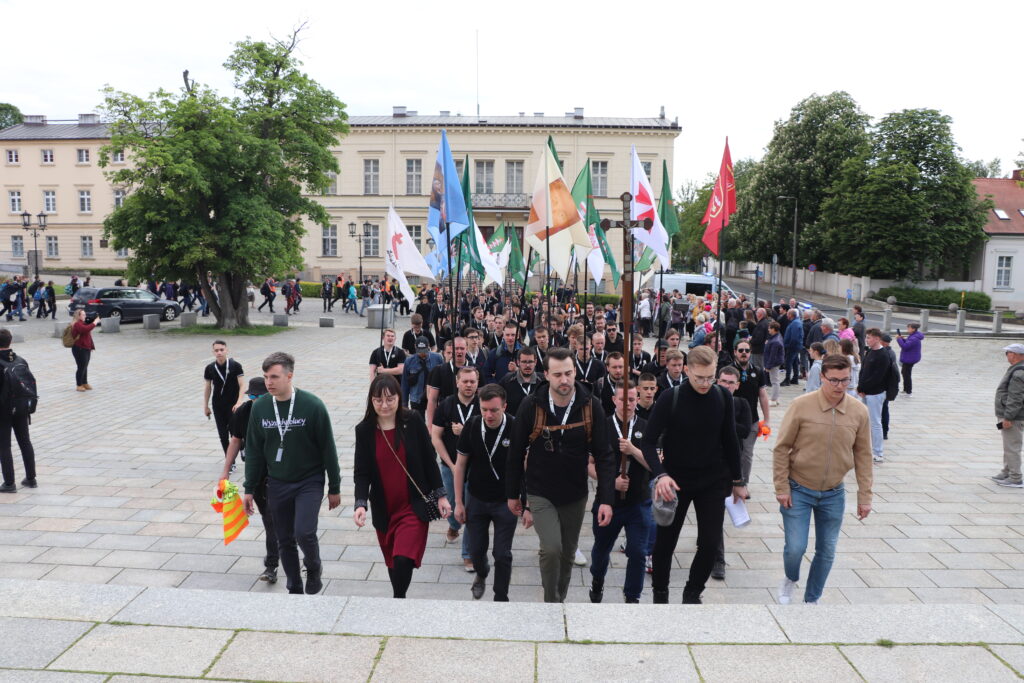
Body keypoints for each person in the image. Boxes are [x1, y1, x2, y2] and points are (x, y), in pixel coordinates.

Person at [506, 347, 615, 603]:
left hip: (575, 493)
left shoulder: (591, 405)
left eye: (568, 373)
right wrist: (513, 494)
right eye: (558, 375)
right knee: (552, 549)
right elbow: (515, 453)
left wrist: (607, 498)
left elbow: (605, 455)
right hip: (540, 491)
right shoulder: (531, 404)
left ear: (575, 371)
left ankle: (559, 599)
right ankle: (550, 603)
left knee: (567, 554)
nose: (564, 380)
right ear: (547, 375)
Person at [641, 346, 745, 604]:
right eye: (699, 377)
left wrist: (738, 480)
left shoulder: (722, 396)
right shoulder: (670, 397)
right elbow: (648, 442)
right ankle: (660, 594)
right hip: (675, 482)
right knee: (665, 544)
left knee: (710, 544)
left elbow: (731, 441)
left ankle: (692, 592)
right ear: (687, 370)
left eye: (710, 377)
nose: (705, 383)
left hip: (711, 480)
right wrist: (661, 474)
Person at [774, 354, 872, 604]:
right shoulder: (801, 405)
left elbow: (863, 455)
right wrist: (782, 487)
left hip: (833, 492)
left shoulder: (858, 410)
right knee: (795, 548)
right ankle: (790, 578)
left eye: (845, 381)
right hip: (799, 488)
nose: (840, 386)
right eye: (834, 380)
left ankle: (812, 598)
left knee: (827, 551)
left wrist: (865, 496)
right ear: (822, 377)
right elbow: (781, 447)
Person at [243, 352, 340, 595]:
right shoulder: (261, 408)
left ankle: (314, 566)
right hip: (277, 482)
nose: (269, 383)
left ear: (289, 376)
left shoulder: (312, 405)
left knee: (304, 532)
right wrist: (249, 488)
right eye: (266, 377)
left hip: (309, 480)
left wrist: (334, 487)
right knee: (284, 539)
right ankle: (294, 586)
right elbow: (254, 451)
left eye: (274, 376)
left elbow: (328, 448)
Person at [354, 374, 451, 598]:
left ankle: (397, 600)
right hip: (384, 509)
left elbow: (429, 458)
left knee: (403, 558)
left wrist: (441, 495)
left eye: (390, 399)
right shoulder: (365, 430)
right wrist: (360, 504)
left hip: (412, 506)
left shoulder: (412, 420)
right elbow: (362, 472)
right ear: (371, 401)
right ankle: (400, 599)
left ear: (399, 397)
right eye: (378, 400)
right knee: (392, 560)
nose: (384, 405)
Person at [588, 380, 652, 604]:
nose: (628, 404)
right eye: (623, 399)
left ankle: (632, 596)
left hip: (638, 502)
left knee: (637, 551)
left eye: (632, 399)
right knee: (601, 549)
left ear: (638, 400)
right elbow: (589, 464)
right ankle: (597, 580)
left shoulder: (646, 427)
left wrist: (633, 450)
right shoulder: (602, 427)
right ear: (614, 399)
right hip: (608, 502)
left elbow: (655, 465)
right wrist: (609, 482)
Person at [454, 383, 519, 601]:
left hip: (506, 501)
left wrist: (525, 503)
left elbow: (525, 467)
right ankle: (482, 573)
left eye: (494, 410)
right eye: (484, 410)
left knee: (502, 554)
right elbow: (460, 465)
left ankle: (501, 596)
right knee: (476, 551)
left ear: (505, 407)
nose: (488, 415)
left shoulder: (515, 427)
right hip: (477, 498)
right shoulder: (472, 426)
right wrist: (459, 503)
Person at [217, 377, 278, 583]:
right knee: (269, 520)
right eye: (251, 396)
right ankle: (272, 566)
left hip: (283, 473)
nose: (254, 399)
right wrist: (225, 471)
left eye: (258, 396)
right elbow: (235, 440)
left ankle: (286, 554)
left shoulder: (280, 410)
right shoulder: (243, 412)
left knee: (283, 522)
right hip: (258, 475)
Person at [431, 365, 480, 570]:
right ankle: (453, 525)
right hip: (449, 466)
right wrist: (450, 465)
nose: (469, 385)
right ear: (457, 382)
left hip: (476, 469)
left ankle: (468, 554)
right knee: (452, 505)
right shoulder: (447, 405)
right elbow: (436, 437)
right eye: (465, 381)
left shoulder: (482, 405)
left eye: (473, 381)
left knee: (470, 510)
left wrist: (467, 431)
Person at [711, 365, 753, 580]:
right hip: (707, 464)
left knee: (717, 514)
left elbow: (745, 430)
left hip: (729, 465)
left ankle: (718, 559)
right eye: (723, 381)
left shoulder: (742, 404)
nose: (727, 386)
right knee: (710, 515)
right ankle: (712, 551)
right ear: (717, 381)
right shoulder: (708, 401)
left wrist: (723, 420)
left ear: (737, 385)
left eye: (731, 382)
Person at [0, 328, 36, 493]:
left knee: (4, 446)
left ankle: (9, 483)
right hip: (22, 407)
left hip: (3, 409)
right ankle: (31, 478)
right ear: (11, 341)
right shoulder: (21, 360)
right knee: (25, 441)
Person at [732, 340, 770, 486]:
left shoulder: (758, 371)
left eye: (747, 351)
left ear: (750, 353)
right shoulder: (728, 371)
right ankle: (729, 480)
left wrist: (766, 420)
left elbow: (763, 395)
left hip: (751, 420)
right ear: (735, 352)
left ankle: (743, 483)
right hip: (731, 419)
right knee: (732, 452)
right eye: (741, 350)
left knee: (746, 454)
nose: (744, 353)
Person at [203, 341, 245, 455]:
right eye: (216, 350)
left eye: (221, 350)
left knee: (235, 433)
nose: (219, 352)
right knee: (222, 435)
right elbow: (208, 387)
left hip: (233, 405)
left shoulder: (235, 366)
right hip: (218, 405)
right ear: (213, 352)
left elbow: (242, 385)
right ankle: (230, 461)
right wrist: (206, 406)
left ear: (226, 350)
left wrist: (239, 401)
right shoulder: (210, 368)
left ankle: (242, 447)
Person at [857, 329, 891, 464]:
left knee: (875, 422)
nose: (867, 340)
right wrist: (860, 387)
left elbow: (877, 377)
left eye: (870, 338)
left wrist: (863, 388)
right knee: (865, 422)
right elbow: (864, 371)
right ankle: (865, 449)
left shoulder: (883, 355)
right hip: (865, 392)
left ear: (877, 339)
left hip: (875, 393)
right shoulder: (870, 351)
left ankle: (878, 452)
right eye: (866, 337)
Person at [993, 343, 1024, 487]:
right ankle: (1007, 472)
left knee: (1012, 446)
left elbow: (1015, 397)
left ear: (1016, 355)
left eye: (1008, 353)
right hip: (1010, 414)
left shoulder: (1019, 372)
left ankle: (1015, 477)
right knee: (1008, 445)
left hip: (1013, 416)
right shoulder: (1016, 369)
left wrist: (1008, 417)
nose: (1007, 355)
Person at [401, 337, 442, 416]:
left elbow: (442, 379)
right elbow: (405, 384)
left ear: (429, 346)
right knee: (418, 424)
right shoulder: (409, 361)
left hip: (434, 397)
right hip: (416, 398)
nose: (422, 353)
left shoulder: (438, 358)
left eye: (424, 350)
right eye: (419, 351)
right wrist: (404, 405)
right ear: (415, 347)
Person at [499, 347, 540, 417]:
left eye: (530, 362)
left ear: (535, 362)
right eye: (524, 362)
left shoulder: (543, 381)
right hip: (514, 424)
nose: (527, 365)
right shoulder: (506, 381)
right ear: (518, 362)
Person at [70, 308, 99, 391]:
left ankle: (85, 382)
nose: (85, 315)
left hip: (86, 348)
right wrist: (95, 322)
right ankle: (79, 385)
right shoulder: (77, 324)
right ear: (78, 316)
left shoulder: (83, 323)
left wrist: (91, 347)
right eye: (83, 314)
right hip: (79, 348)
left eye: (85, 314)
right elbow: (85, 329)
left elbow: (87, 336)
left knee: (85, 366)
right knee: (81, 367)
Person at [895, 323, 923, 396]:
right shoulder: (914, 336)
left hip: (910, 358)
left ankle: (908, 391)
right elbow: (908, 344)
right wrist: (903, 339)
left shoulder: (914, 338)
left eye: (909, 328)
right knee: (905, 373)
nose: (907, 329)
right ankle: (906, 389)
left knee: (906, 374)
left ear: (913, 329)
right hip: (910, 357)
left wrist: (898, 339)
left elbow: (905, 346)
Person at [764, 321, 785, 407]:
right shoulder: (776, 337)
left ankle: (774, 399)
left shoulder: (775, 341)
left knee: (774, 381)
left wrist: (768, 366)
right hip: (775, 362)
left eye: (770, 328)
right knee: (775, 380)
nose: (768, 329)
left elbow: (773, 356)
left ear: (774, 329)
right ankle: (776, 398)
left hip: (774, 364)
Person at [782, 309, 803, 387]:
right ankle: (795, 378)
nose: (787, 315)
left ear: (791, 315)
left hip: (792, 347)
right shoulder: (796, 322)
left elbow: (794, 337)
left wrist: (789, 346)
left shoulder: (795, 323)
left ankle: (787, 379)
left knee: (788, 362)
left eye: (788, 314)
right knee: (794, 362)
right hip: (795, 346)